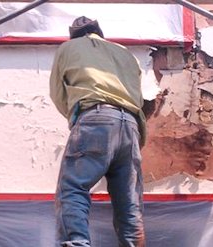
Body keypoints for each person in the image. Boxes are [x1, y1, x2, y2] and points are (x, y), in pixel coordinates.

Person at [49, 16, 147, 247]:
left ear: (74, 35)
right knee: (129, 202)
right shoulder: (124, 52)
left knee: (73, 189)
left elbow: (58, 94)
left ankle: (77, 243)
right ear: (99, 33)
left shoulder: (68, 48)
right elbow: (138, 94)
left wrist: (78, 118)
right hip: (131, 126)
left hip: (95, 117)